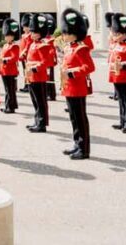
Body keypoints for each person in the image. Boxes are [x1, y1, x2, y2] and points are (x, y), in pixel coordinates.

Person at [59, 8, 95, 160]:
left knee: (80, 119)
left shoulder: (81, 48)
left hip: (78, 88)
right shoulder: (69, 48)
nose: (64, 35)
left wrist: (71, 73)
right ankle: (77, 143)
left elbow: (89, 67)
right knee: (73, 118)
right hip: (69, 87)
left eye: (66, 33)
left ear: (74, 33)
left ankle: (84, 149)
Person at [25, 14, 53, 132]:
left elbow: (45, 62)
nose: (31, 34)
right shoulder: (33, 44)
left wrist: (34, 68)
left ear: (40, 33)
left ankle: (42, 124)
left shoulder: (43, 45)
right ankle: (37, 121)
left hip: (39, 77)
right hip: (31, 77)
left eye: (34, 32)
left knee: (41, 102)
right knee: (35, 101)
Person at [0, 18, 20, 114]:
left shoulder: (15, 46)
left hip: (11, 71)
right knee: (7, 90)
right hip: (4, 71)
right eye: (6, 35)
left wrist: (4, 60)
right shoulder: (5, 45)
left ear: (13, 36)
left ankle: (11, 107)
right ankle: (8, 105)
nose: (6, 37)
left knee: (10, 90)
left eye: (8, 35)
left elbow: (14, 58)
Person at [43, 14, 58, 101]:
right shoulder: (45, 39)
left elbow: (52, 51)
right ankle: (48, 93)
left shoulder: (51, 39)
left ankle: (51, 94)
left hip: (48, 61)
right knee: (47, 77)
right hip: (45, 61)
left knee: (49, 78)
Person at [104, 12, 119, 100]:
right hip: (111, 55)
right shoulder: (111, 32)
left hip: (116, 56)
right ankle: (115, 93)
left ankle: (117, 94)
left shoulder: (115, 33)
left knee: (116, 75)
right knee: (113, 75)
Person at [18, 14, 33, 93]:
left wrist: (23, 53)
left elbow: (28, 46)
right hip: (23, 56)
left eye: (25, 27)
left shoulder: (30, 35)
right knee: (25, 71)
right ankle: (26, 85)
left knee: (27, 71)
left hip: (27, 56)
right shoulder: (24, 35)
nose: (24, 29)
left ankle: (28, 85)